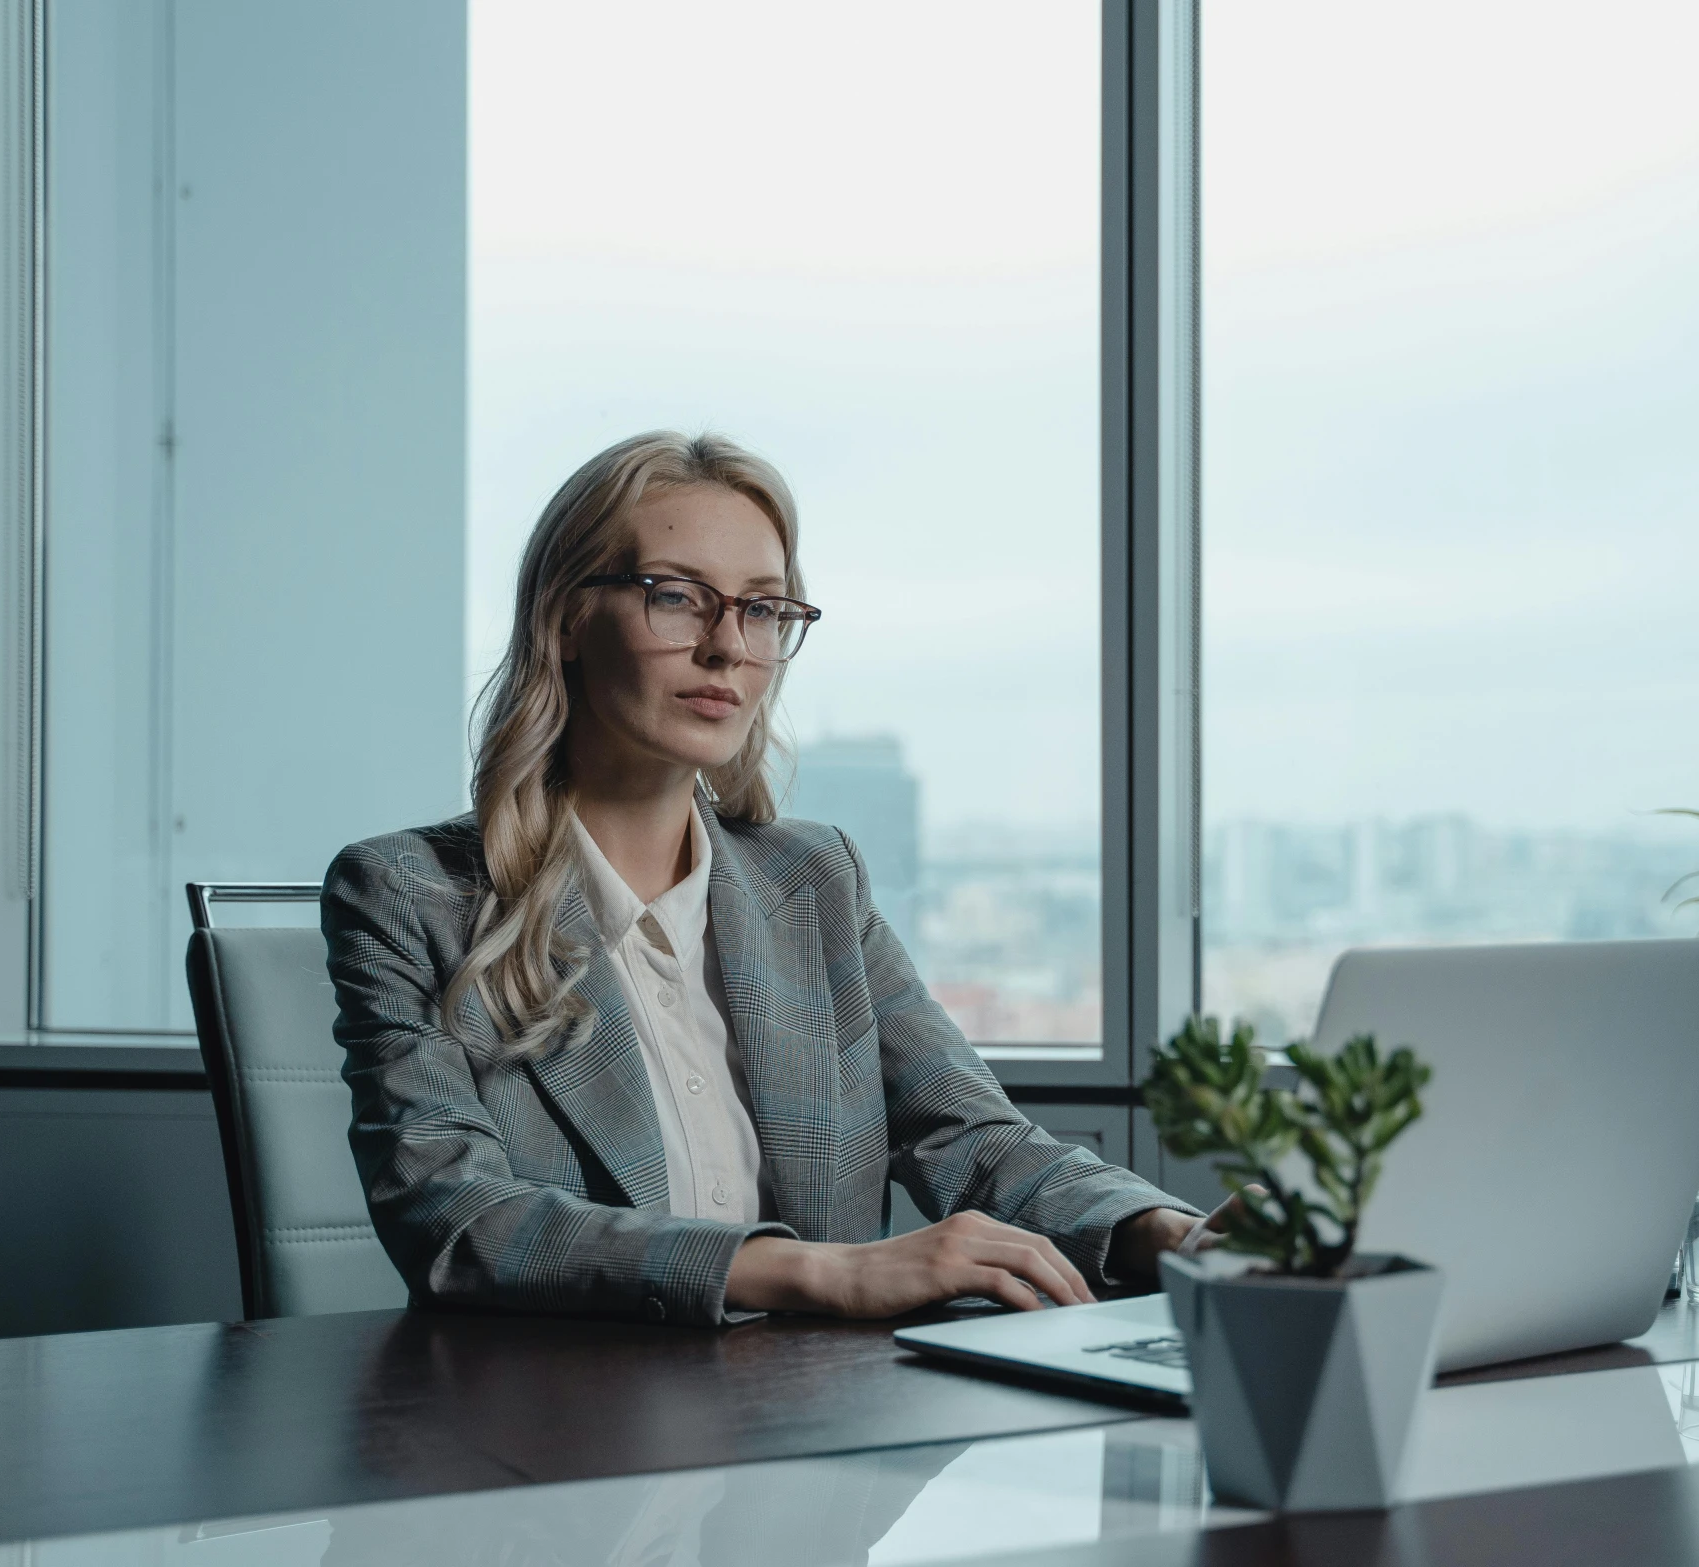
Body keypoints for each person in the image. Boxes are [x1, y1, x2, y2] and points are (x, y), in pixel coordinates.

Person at [322, 431, 1211, 1326]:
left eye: (763, 609)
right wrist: (821, 1272)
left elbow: (973, 1139)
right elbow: (461, 1219)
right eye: (677, 597)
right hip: (562, 1431)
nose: (728, 647)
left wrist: (1171, 1235)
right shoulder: (409, 895)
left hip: (822, 1427)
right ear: (565, 618)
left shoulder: (815, 879)